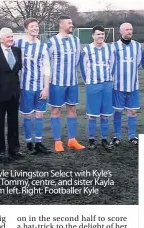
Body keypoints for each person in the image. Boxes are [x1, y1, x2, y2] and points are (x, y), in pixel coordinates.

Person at [47, 15, 85, 152]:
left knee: (72, 109)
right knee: (56, 110)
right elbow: (47, 62)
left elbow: (76, 60)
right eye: (69, 23)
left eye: (72, 22)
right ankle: (57, 141)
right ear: (61, 24)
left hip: (72, 82)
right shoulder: (51, 42)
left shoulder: (76, 41)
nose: (72, 25)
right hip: (57, 82)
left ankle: (72, 140)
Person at [13, 18, 50, 154]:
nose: (35, 28)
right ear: (26, 29)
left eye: (37, 26)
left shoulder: (43, 46)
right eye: (32, 26)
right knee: (27, 115)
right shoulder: (19, 43)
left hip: (40, 86)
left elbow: (46, 68)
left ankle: (38, 143)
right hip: (25, 86)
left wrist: (46, 87)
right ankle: (29, 143)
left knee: (39, 115)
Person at [80, 25, 115, 151]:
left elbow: (112, 64)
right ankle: (91, 140)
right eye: (98, 34)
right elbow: (83, 68)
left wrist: (109, 80)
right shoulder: (86, 50)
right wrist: (88, 82)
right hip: (93, 85)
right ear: (93, 35)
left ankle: (104, 139)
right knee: (92, 114)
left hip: (106, 84)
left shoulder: (110, 49)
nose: (100, 36)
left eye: (102, 34)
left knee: (105, 114)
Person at [0, 27, 23, 158]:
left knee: (13, 121)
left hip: (14, 93)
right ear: (1, 39)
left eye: (12, 37)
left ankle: (14, 148)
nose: (11, 39)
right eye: (8, 37)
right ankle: (0, 150)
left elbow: (18, 70)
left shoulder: (17, 51)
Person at [111, 22, 142, 146]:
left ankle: (132, 136)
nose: (129, 31)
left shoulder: (137, 46)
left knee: (132, 111)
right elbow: (111, 64)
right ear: (121, 31)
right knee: (117, 111)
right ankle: (116, 136)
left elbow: (138, 62)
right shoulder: (114, 46)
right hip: (118, 85)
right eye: (126, 29)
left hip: (133, 85)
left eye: (130, 29)